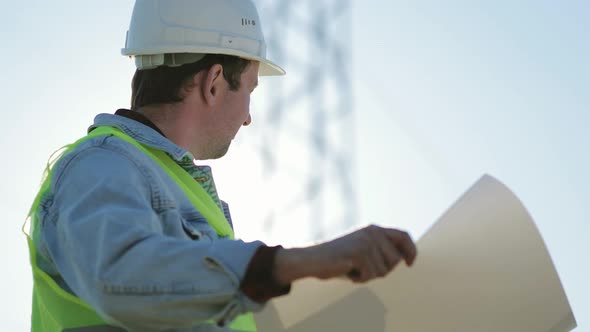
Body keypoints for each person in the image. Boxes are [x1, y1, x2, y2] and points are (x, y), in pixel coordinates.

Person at [24, 0, 417, 331]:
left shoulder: (166, 181)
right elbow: (119, 275)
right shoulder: (101, 162)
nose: (248, 117)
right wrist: (302, 262)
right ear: (213, 82)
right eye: (249, 90)